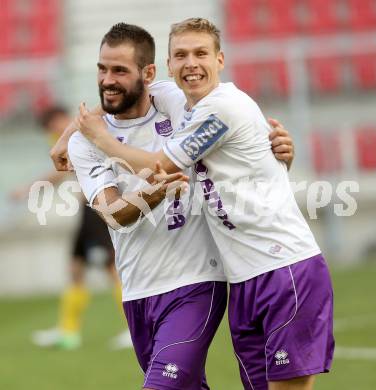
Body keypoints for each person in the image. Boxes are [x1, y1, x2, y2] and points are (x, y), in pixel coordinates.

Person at [69, 19, 334, 390]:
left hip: (270, 267)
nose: (191, 63)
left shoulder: (214, 106)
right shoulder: (181, 103)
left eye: (200, 54)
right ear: (169, 65)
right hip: (232, 278)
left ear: (220, 59)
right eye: (181, 55)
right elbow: (115, 210)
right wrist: (74, 133)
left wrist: (104, 141)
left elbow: (163, 164)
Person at [10, 106, 132, 350]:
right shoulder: (71, 137)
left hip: (98, 207)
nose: (53, 133)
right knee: (76, 268)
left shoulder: (85, 133)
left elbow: (62, 173)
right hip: (88, 210)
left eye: (52, 126)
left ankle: (134, 328)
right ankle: (68, 331)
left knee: (111, 267)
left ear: (60, 120)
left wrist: (29, 189)